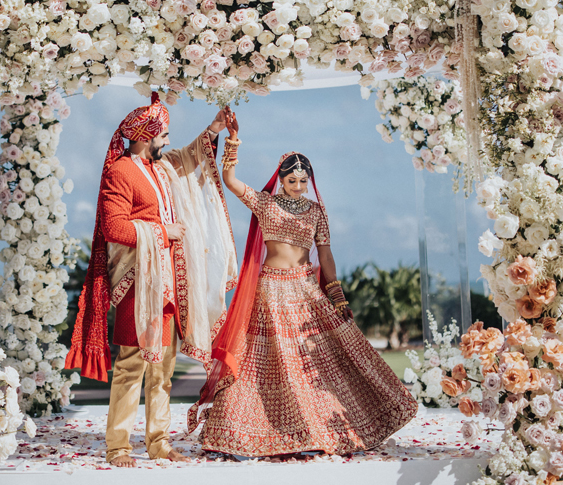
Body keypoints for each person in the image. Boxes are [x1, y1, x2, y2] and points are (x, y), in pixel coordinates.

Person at [188, 109, 418, 456]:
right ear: (280, 180)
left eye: (302, 181)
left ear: (309, 181)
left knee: (316, 362)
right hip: (269, 290)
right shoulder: (264, 203)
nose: (297, 186)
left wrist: (336, 294)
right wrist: (234, 141)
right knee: (263, 362)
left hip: (306, 290)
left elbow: (325, 255)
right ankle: (245, 431)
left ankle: (319, 429)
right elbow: (231, 180)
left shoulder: (315, 212)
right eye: (291, 180)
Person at [65, 93, 238, 467]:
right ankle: (119, 446)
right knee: (131, 365)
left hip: (171, 281)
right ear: (145, 135)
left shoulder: (161, 168)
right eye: (163, 135)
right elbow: (113, 227)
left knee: (163, 369)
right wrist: (162, 232)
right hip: (138, 285)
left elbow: (191, 159)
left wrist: (214, 129)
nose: (167, 141)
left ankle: (158, 441)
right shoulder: (121, 171)